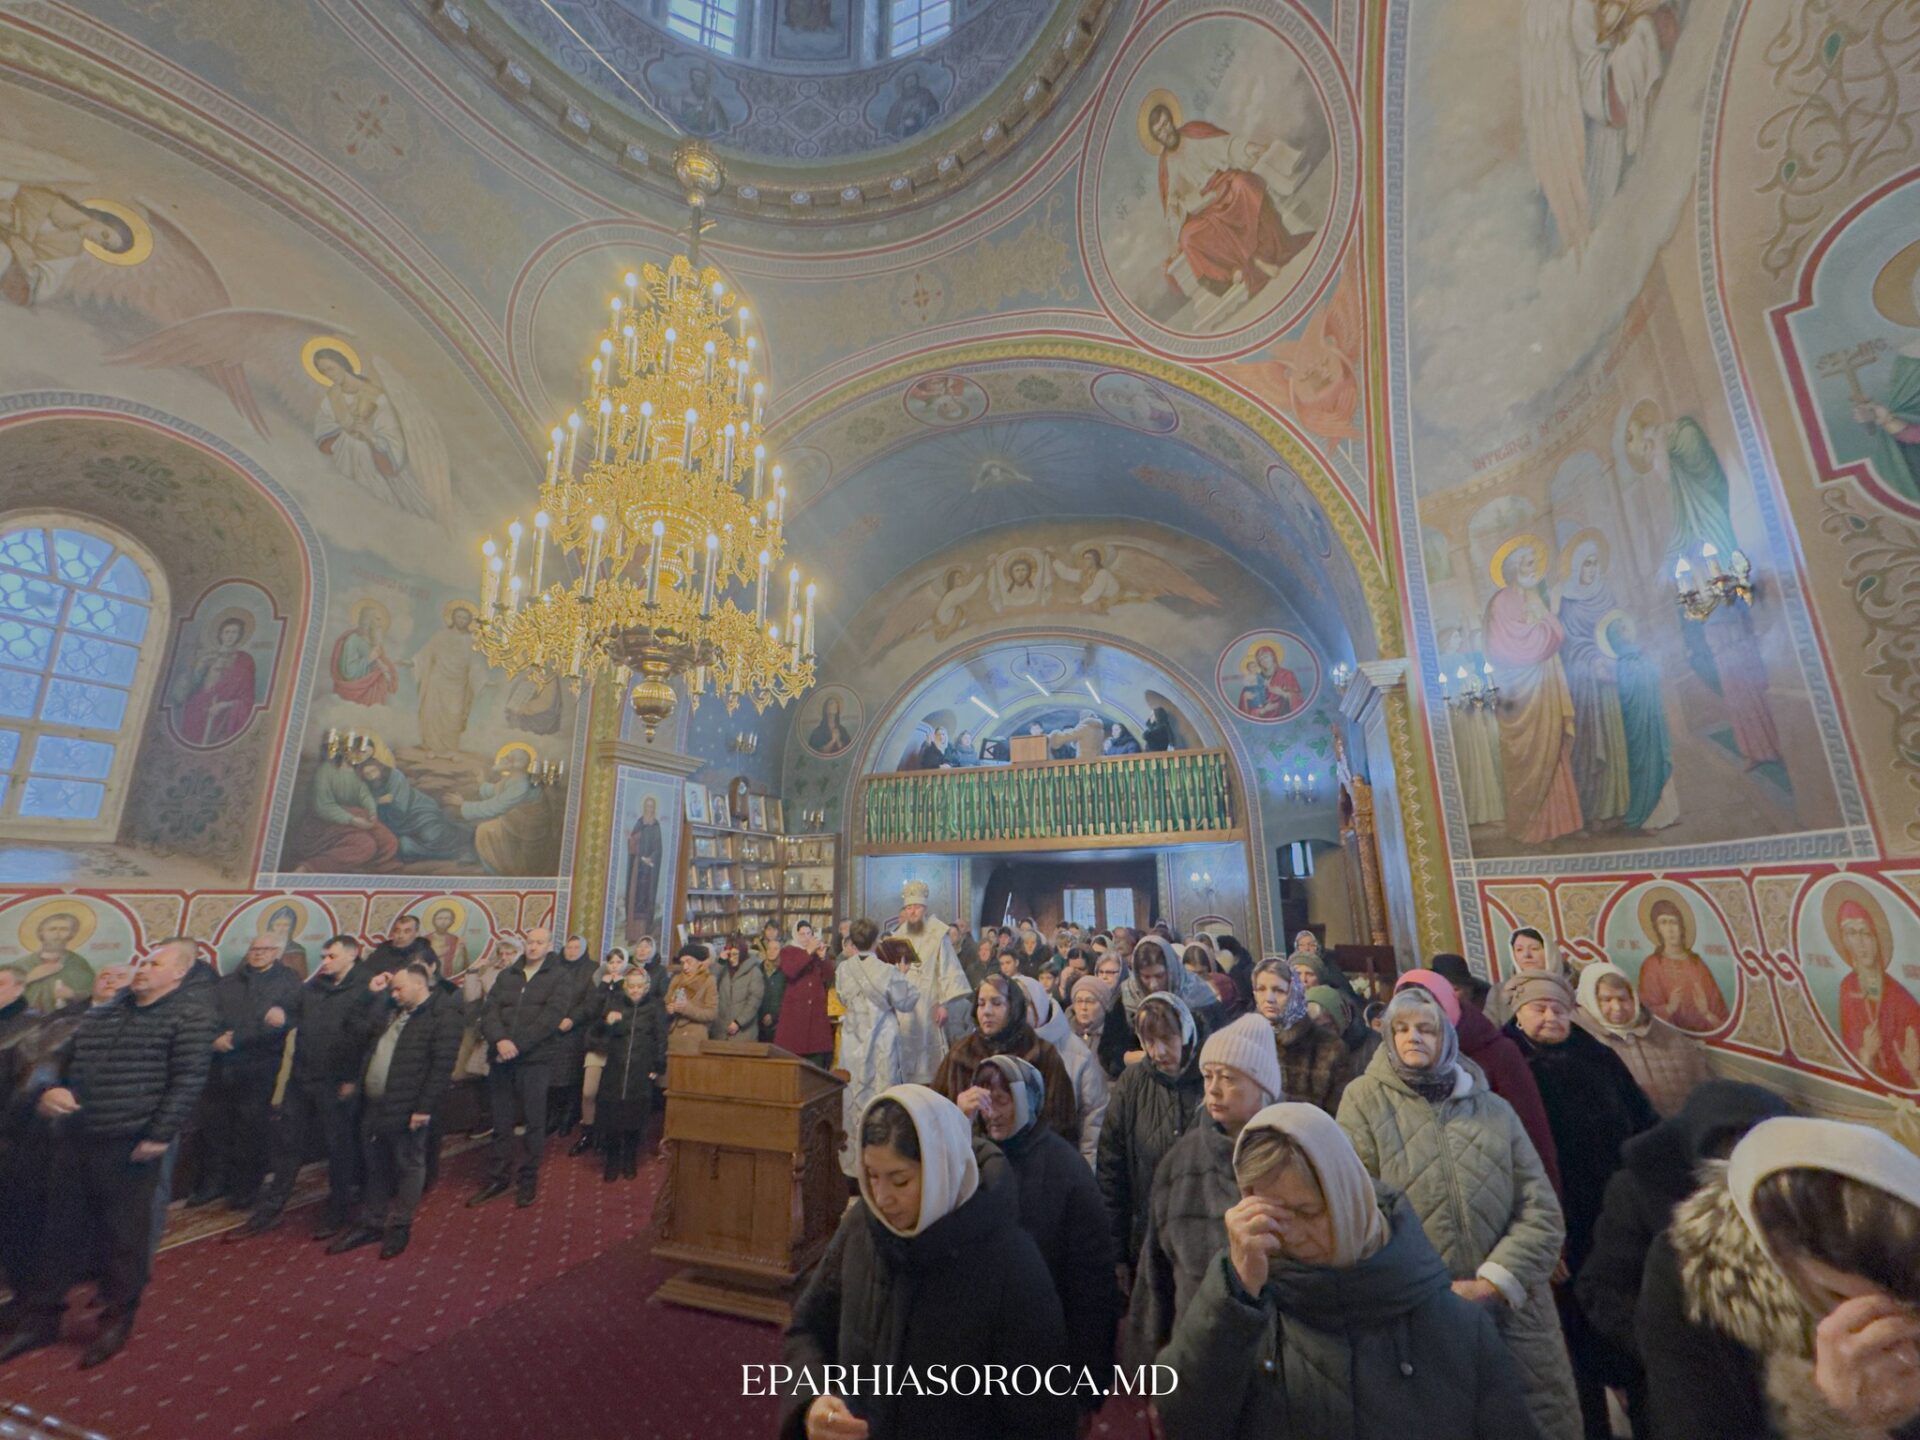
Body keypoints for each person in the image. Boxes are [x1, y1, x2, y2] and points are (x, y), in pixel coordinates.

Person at [1155, 1103, 1542, 1440]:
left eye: (1306, 1212)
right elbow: (1183, 1422)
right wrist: (1234, 1295)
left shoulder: (1455, 1326)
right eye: (1273, 1216)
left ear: (1347, 1199)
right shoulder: (1244, 1306)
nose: (1291, 1234)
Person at [1337, 982, 1581, 1440]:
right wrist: (1431, 1288)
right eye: (1401, 1028)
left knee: (1536, 1422)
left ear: (1447, 1036)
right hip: (1417, 1311)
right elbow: (1359, 1209)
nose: (1413, 1037)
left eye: (1426, 1028)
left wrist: (1494, 1281)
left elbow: (1541, 1209)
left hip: (1513, 1308)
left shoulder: (1493, 1109)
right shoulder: (1363, 1102)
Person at [779, 1086, 1076, 1440]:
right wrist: (812, 1401)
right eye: (871, 1175)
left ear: (941, 1169)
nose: (882, 1198)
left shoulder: (1011, 1263)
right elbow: (808, 1328)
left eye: (900, 1180)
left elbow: (1042, 1412)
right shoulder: (861, 1227)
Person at [2, 938, 214, 1369]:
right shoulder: (106, 1012)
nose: (143, 969)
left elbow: (188, 1079)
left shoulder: (189, 1016)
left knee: (124, 1238)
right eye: (143, 962)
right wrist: (48, 1089)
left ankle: (116, 1319)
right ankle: (41, 1318)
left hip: (130, 1145)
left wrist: (160, 1133)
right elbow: (58, 1059)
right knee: (57, 1232)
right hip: (76, 1137)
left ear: (179, 973)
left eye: (155, 964)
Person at [1641, 1117, 1920, 1440]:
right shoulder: (1694, 1280)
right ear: (1782, 1257)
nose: (1880, 1314)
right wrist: (1837, 1421)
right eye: (1839, 1296)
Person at [1574, 1081, 1792, 1437]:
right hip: (1681, 1389)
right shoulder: (1639, 1189)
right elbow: (1602, 1290)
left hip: (1772, 1387)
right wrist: (1666, 1343)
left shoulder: (1783, 1193)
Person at [1503, 971, 1659, 1440]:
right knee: (1573, 1348)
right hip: (1554, 1226)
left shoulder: (1597, 1056)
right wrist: (1540, 1237)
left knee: (1626, 1328)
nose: (1550, 1017)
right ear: (1518, 1013)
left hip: (1612, 1219)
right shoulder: (1506, 1065)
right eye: (1539, 1008)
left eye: (1559, 1009)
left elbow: (1642, 1124)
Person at [957, 1056, 1119, 1413]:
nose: (992, 1114)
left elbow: (1092, 1284)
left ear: (1026, 1100)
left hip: (1050, 1346)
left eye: (1002, 1101)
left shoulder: (1064, 1168)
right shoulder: (971, 1159)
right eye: (985, 1102)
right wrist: (957, 1126)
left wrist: (1087, 1384)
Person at [1128, 1012, 1285, 1365]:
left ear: (1261, 1087)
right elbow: (1155, 1280)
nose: (1213, 1089)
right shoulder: (1182, 1162)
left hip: (1279, 1360)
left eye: (1228, 1078)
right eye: (1208, 1076)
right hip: (1197, 1355)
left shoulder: (1295, 1157)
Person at [233, 935, 372, 1240]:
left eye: (332, 956)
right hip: (302, 1078)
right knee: (286, 1145)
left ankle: (338, 1211)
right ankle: (270, 1211)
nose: (325, 962)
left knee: (338, 1148)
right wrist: (281, 1014)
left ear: (352, 956)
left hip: (337, 1082)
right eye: (323, 956)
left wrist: (353, 1080)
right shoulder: (314, 986)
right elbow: (291, 1010)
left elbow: (368, 1040)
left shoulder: (366, 990)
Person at [327, 961, 459, 1259]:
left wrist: (424, 1108)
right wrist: (369, 995)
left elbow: (441, 1067)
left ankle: (400, 1225)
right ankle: (371, 1223)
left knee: (408, 1165)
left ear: (419, 984)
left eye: (399, 989)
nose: (394, 994)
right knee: (375, 1165)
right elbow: (354, 1028)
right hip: (374, 1104)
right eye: (392, 989)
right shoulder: (389, 1009)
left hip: (409, 1107)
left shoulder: (443, 1015)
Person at [1405, 959, 1563, 1198]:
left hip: (1498, 1194)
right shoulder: (1392, 1067)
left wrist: (1544, 1202)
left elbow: (1533, 1135)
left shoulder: (1496, 1052)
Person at [1097, 991, 1203, 1296]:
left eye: (1167, 1039)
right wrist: (1117, 1253)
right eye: (1148, 1041)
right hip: (1146, 1239)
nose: (1158, 1052)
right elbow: (1111, 1170)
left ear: (1186, 1033)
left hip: (1201, 1240)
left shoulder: (1210, 1079)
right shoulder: (1132, 1084)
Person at [469, 928, 578, 1209]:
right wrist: (500, 1040)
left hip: (535, 1059)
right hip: (501, 1057)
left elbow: (551, 1017)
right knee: (501, 1120)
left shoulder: (560, 976)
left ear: (549, 946)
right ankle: (499, 1176)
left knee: (533, 1120)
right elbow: (489, 1011)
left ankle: (528, 1178)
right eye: (530, 942)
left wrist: (516, 1045)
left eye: (539, 942)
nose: (533, 946)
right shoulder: (508, 975)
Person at [192, 935, 300, 1209]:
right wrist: (214, 1038)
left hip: (259, 1066)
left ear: (276, 953)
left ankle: (245, 1188)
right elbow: (209, 1014)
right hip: (222, 1066)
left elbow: (282, 1022)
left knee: (250, 1129)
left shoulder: (288, 982)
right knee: (216, 1127)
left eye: (265, 949)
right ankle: (214, 1183)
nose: (258, 953)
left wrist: (236, 1039)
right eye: (254, 948)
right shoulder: (229, 982)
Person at [930, 972, 1077, 1146]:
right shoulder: (960, 1054)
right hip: (973, 1156)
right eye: (981, 1004)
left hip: (1031, 1157)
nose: (987, 1012)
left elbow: (1061, 1123)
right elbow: (934, 1118)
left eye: (997, 1003)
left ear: (1014, 1007)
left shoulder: (1042, 1054)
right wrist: (960, 1113)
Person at [831, 922, 920, 1176]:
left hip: (853, 1041)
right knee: (881, 1097)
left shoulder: (843, 969)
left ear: (852, 941)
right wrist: (902, 973)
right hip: (882, 1041)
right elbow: (907, 1001)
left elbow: (842, 998)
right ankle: (880, 1165)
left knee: (853, 1097)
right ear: (877, 940)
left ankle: (851, 1165)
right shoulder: (887, 971)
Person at [1573, 962, 1712, 1118]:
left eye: (1623, 999)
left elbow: (1705, 1084)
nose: (1617, 1007)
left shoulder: (1666, 1035)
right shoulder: (1576, 1037)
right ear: (1589, 999)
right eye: (1606, 999)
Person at [1015, 975, 1108, 1166]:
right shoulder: (1003, 1046)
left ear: (1038, 1006)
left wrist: (1086, 1171)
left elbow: (1092, 1121)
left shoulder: (1075, 1053)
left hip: (1061, 1164)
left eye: (1022, 1005)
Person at [885, 881, 971, 1078]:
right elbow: (890, 971)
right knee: (904, 1053)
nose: (912, 911)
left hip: (929, 1000)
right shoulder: (897, 936)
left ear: (924, 908)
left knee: (928, 1058)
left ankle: (931, 1086)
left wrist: (944, 1004)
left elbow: (948, 970)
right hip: (904, 1003)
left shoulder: (938, 933)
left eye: (916, 907)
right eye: (908, 907)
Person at [589, 967, 665, 1181]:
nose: (635, 990)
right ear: (625, 987)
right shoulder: (615, 1003)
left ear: (646, 987)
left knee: (634, 1116)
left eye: (639, 986)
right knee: (612, 1116)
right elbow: (596, 1032)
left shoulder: (654, 1007)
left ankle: (630, 1158)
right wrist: (607, 1021)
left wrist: (658, 1066)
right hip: (616, 1066)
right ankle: (612, 1159)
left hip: (641, 1068)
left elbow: (660, 1038)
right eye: (631, 986)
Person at [1251, 957, 1351, 1114]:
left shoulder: (1329, 1047)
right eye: (1261, 989)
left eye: (1279, 990)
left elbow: (1339, 1113)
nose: (1269, 998)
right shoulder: (1244, 1044)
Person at [1123, 935, 1220, 1032]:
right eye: (1146, 977)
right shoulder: (1129, 996)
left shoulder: (1198, 994)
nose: (1153, 985)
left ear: (1171, 971)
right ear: (1137, 975)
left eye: (1159, 976)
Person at [774, 923, 833, 1067]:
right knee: (794, 1059)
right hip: (795, 1013)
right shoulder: (788, 951)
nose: (806, 937)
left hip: (816, 1014)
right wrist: (808, 952)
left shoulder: (816, 953)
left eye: (809, 933)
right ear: (796, 935)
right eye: (802, 934)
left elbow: (829, 977)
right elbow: (790, 971)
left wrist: (823, 958)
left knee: (817, 1060)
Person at [1487, 925, 1563, 1025]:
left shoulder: (1569, 987)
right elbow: (1488, 1029)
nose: (1527, 955)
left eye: (1534, 949)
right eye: (1519, 950)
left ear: (1549, 952)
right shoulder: (1500, 992)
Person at [664, 943, 718, 1056]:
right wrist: (669, 1009)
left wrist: (687, 1008)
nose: (685, 967)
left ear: (699, 962)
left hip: (694, 1040)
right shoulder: (676, 980)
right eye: (683, 962)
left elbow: (711, 1013)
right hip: (674, 1037)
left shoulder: (708, 981)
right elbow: (667, 1001)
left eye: (689, 962)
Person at [711, 933, 765, 1043]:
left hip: (744, 1032)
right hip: (720, 1031)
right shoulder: (723, 968)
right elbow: (710, 983)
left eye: (736, 954)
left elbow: (754, 1001)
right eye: (730, 954)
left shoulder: (754, 972)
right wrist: (720, 962)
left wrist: (739, 1022)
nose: (732, 958)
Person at [362, 913, 436, 977]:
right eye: (397, 931)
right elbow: (366, 971)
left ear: (416, 933)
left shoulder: (424, 952)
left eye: (406, 931)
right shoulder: (383, 949)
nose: (400, 935)